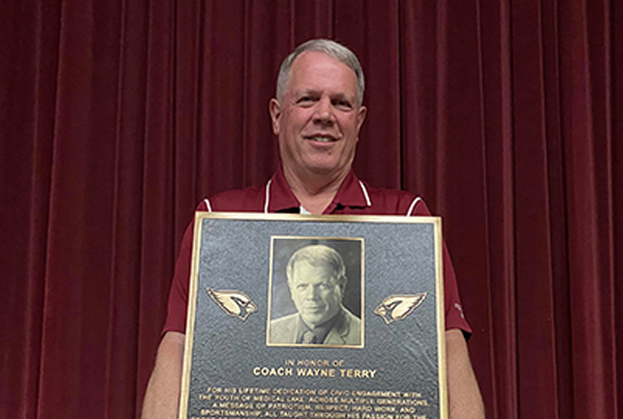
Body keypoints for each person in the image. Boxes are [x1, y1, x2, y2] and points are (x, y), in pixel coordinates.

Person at [141, 39, 485, 419]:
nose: (325, 114)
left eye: (341, 103)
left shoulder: (407, 219)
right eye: (307, 99)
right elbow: (177, 346)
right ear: (276, 115)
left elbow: (449, 350)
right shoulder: (219, 220)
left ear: (359, 120)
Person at [269, 244, 361, 345]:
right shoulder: (271, 332)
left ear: (341, 286)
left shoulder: (362, 336)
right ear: (291, 289)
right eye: (302, 286)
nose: (311, 296)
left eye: (323, 286)